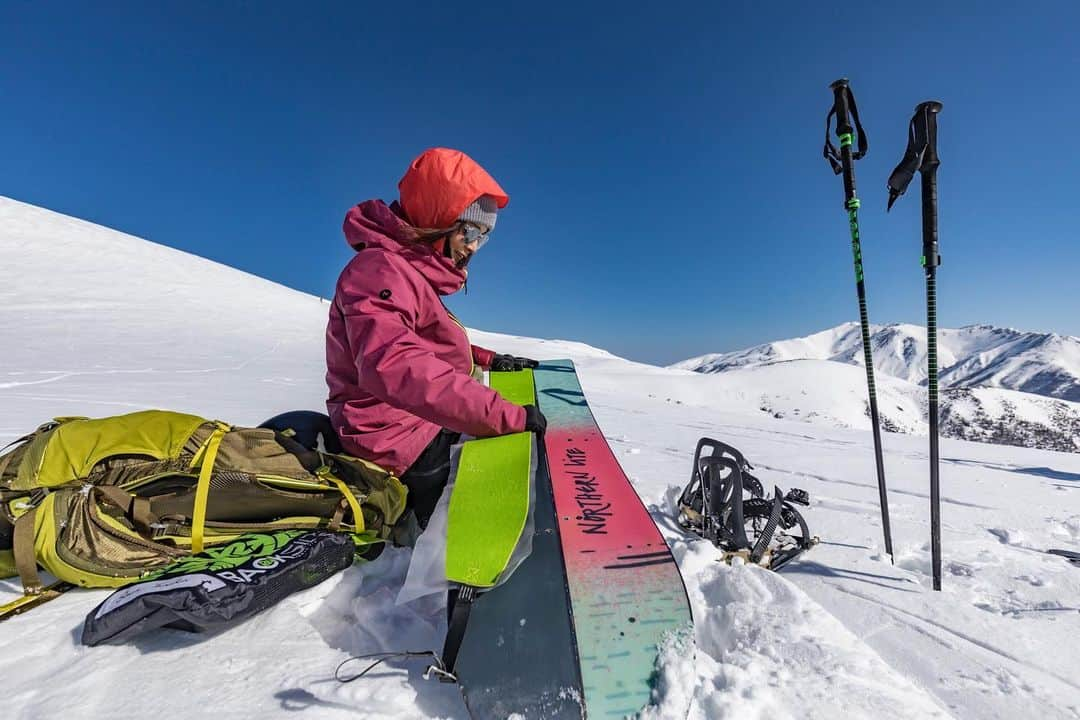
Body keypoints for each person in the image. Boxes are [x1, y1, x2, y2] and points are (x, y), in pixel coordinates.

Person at [325, 148, 546, 530]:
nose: (475, 246)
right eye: (471, 230)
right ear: (439, 219)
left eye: (485, 236)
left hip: (415, 424)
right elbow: (393, 364)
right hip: (396, 441)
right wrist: (502, 414)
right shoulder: (379, 270)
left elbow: (421, 342)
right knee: (521, 478)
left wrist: (488, 359)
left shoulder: (404, 271)